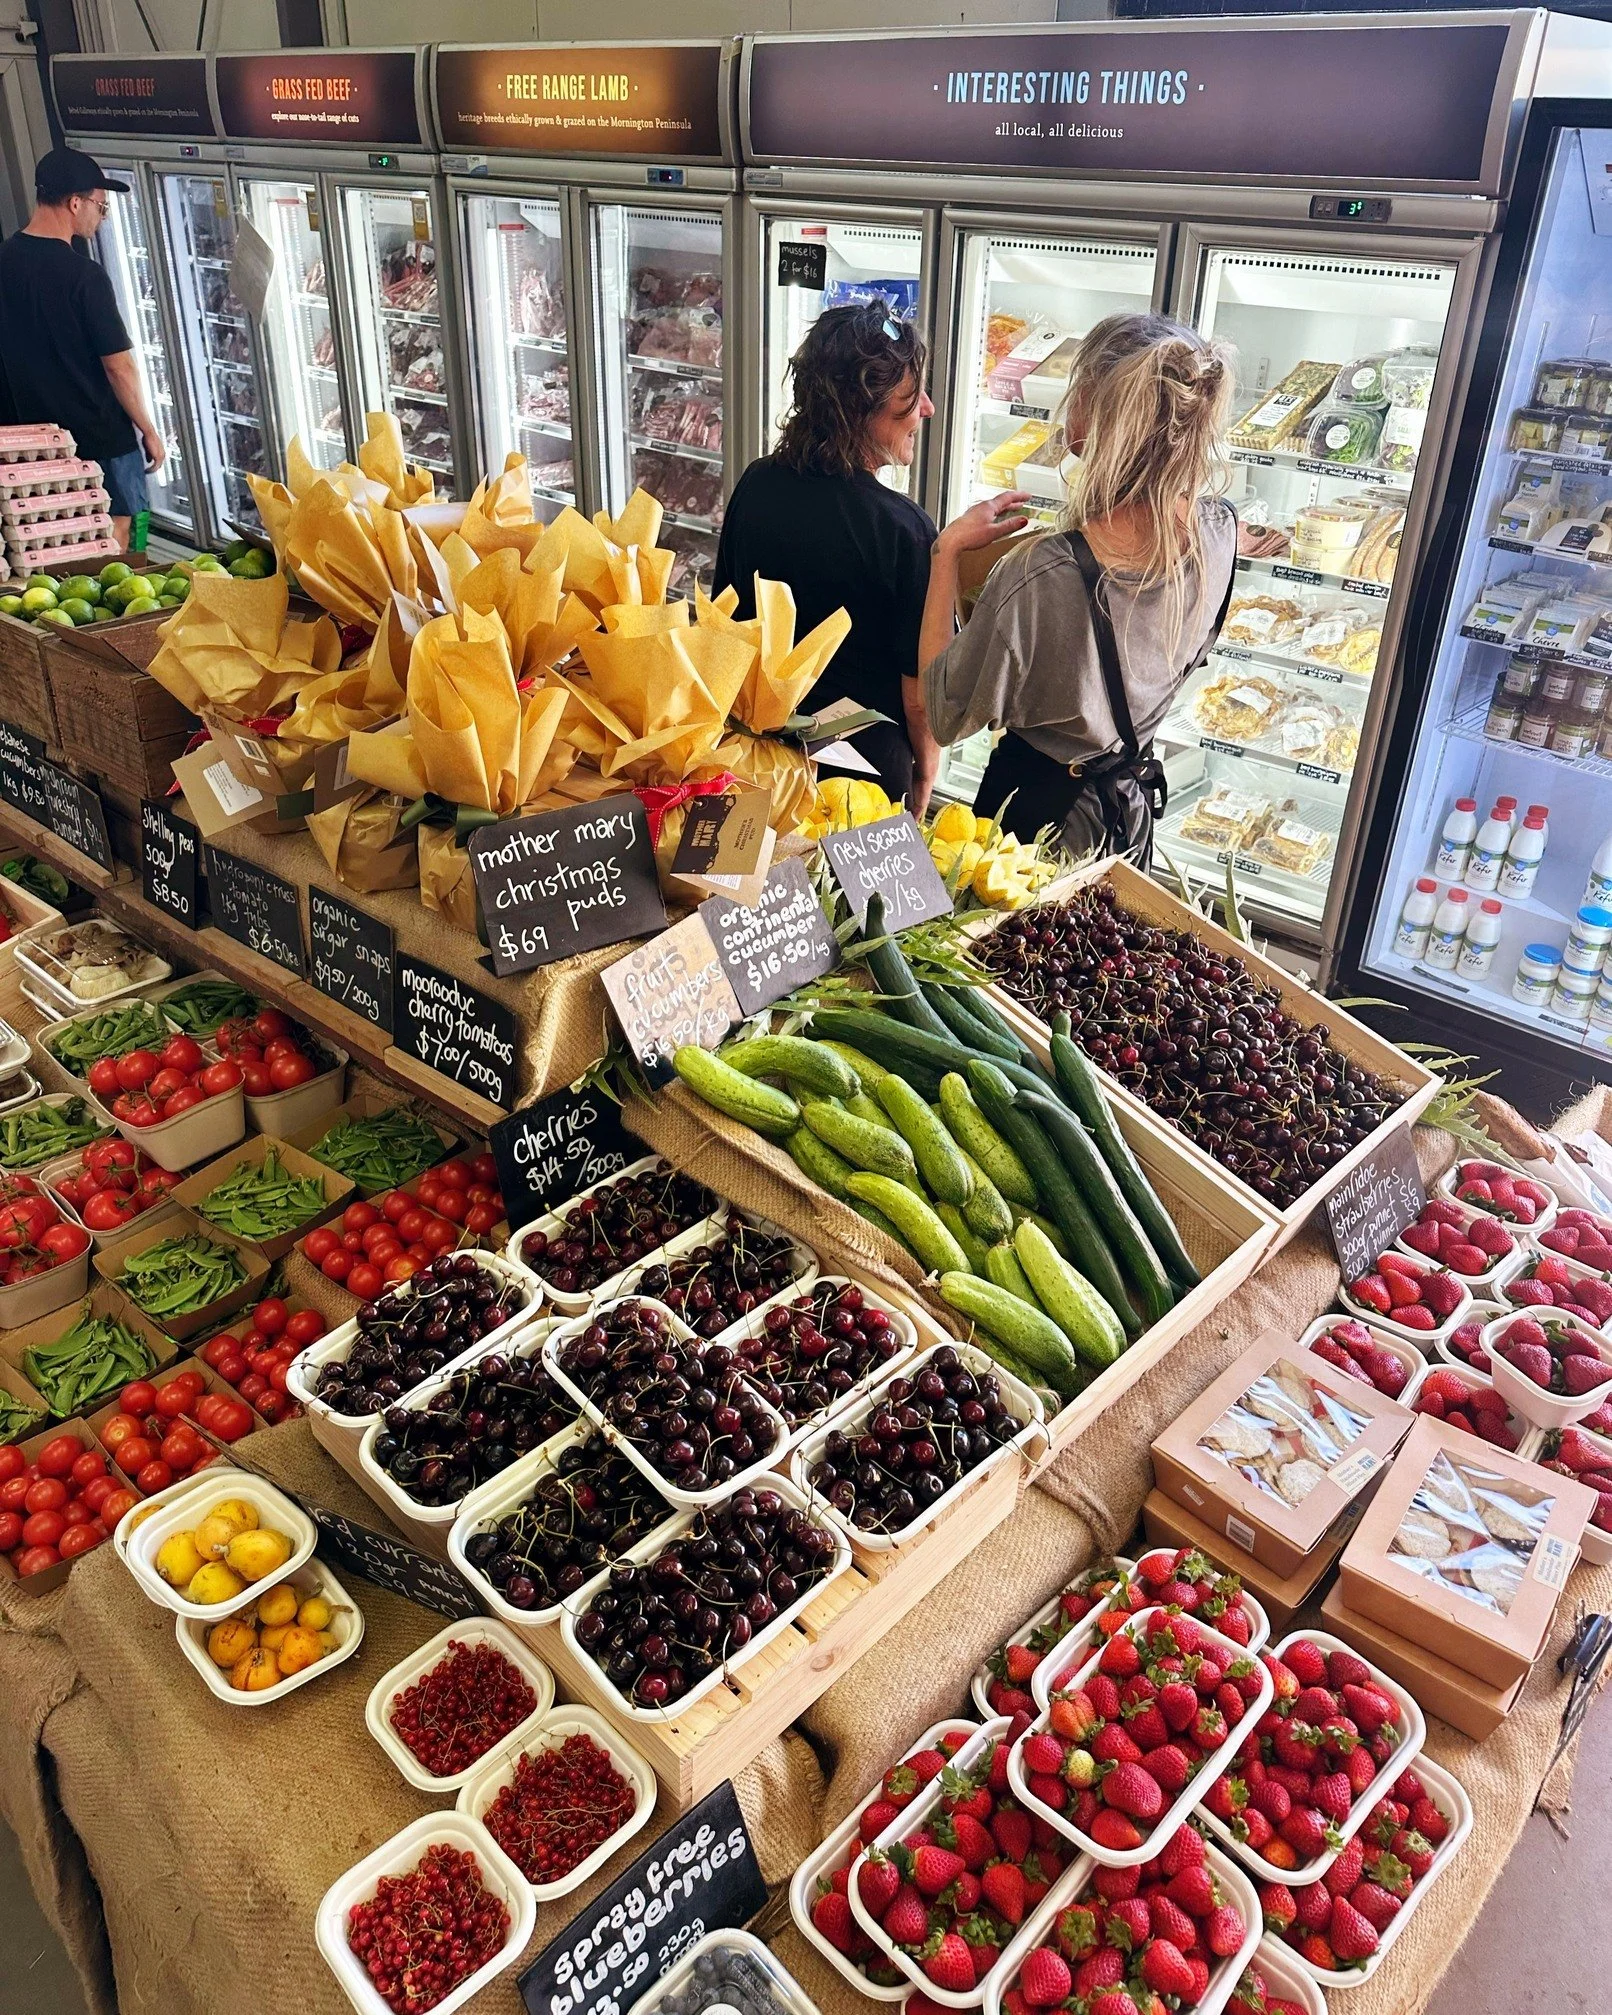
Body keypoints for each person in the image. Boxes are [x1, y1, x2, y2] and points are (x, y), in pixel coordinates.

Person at [908, 312, 1238, 866]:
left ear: (1094, 407)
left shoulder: (1042, 573)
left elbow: (942, 714)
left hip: (1036, 832)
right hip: (1127, 822)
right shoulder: (1219, 530)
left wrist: (946, 557)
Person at [713, 303, 939, 805]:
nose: (926, 408)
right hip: (859, 784)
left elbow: (723, 625)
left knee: (754, 886)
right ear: (862, 407)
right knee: (837, 889)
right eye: (911, 395)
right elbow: (918, 695)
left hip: (754, 763)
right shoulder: (906, 530)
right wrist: (925, 771)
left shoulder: (756, 481)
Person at [0, 147, 166, 546]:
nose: (102, 216)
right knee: (128, 532)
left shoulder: (3, 259)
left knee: (55, 544)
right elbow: (118, 367)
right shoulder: (84, 276)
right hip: (99, 436)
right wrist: (148, 429)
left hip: (31, 444)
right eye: (101, 205)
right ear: (75, 203)